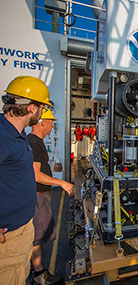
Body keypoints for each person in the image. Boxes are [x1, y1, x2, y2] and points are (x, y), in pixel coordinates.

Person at [0, 75, 52, 284]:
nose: (41, 113)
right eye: (41, 108)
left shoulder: (17, 134)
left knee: (20, 274)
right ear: (32, 108)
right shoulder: (3, 135)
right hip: (8, 234)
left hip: (21, 228)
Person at [28, 108, 76, 284]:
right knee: (36, 238)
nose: (52, 125)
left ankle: (38, 271)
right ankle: (39, 275)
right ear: (42, 123)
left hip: (41, 196)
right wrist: (62, 183)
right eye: (50, 122)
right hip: (37, 197)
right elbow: (35, 175)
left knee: (38, 237)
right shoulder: (33, 143)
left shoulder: (36, 142)